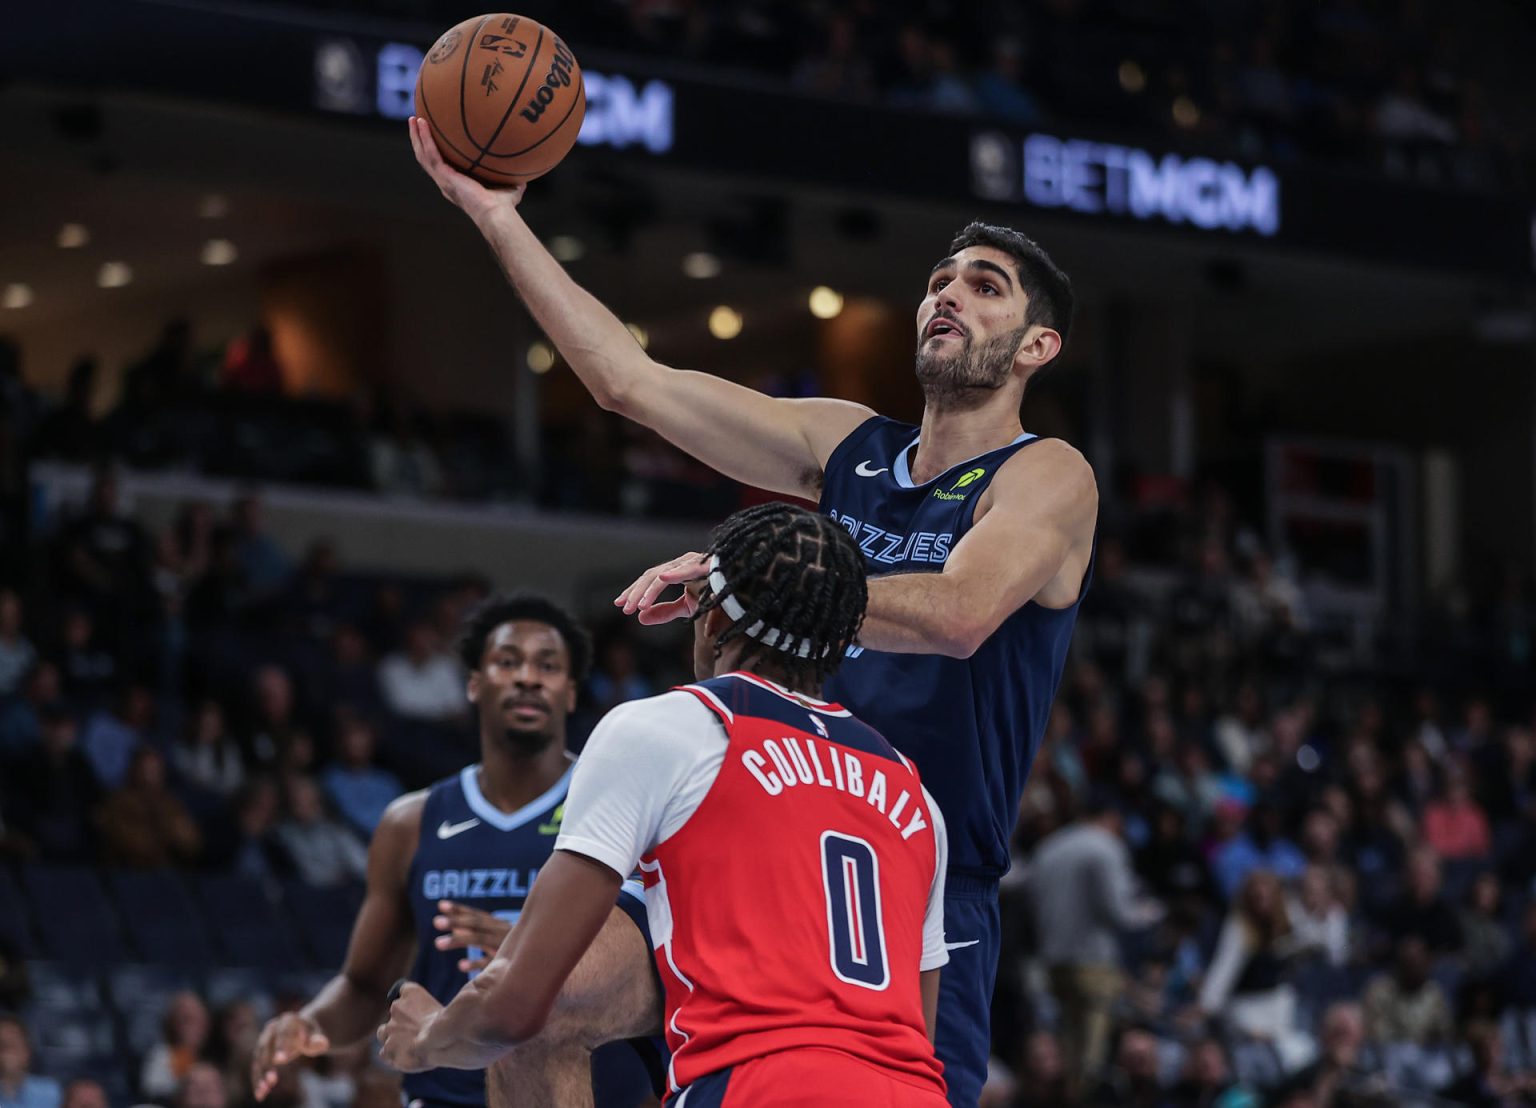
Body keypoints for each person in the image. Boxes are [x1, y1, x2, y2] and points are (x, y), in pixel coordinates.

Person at [410, 109, 1096, 1108]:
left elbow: (959, 613)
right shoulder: (850, 444)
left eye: (983, 286)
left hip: (918, 880)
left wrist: (766, 582)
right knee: (538, 996)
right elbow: (629, 381)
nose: (948, 294)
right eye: (941, 279)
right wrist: (498, 214)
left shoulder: (1048, 474)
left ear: (1038, 343)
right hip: (754, 835)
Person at [378, 504, 950, 1107]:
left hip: (761, 1087)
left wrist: (428, 1039)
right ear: (841, 645)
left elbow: (521, 1005)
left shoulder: (670, 728)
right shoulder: (915, 793)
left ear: (710, 620)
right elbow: (919, 1029)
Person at [252, 594, 660, 1108]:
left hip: (581, 1092)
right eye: (508, 662)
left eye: (548, 666)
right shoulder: (411, 823)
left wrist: (534, 957)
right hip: (443, 1093)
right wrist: (307, 1023)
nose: (528, 678)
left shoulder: (619, 806)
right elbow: (362, 984)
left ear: (571, 692)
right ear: (473, 683)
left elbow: (656, 968)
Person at [1027, 795, 1161, 1098]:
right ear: (1111, 816)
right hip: (1093, 963)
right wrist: (1150, 913)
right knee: (1090, 1057)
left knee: (1064, 1049)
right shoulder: (1106, 847)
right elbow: (1120, 913)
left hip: (1053, 961)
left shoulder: (1050, 846)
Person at [0, 1016, 59, 1108]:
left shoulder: (51, 1092)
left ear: (27, 1051)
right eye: (2, 1045)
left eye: (13, 1044)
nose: (7, 1053)